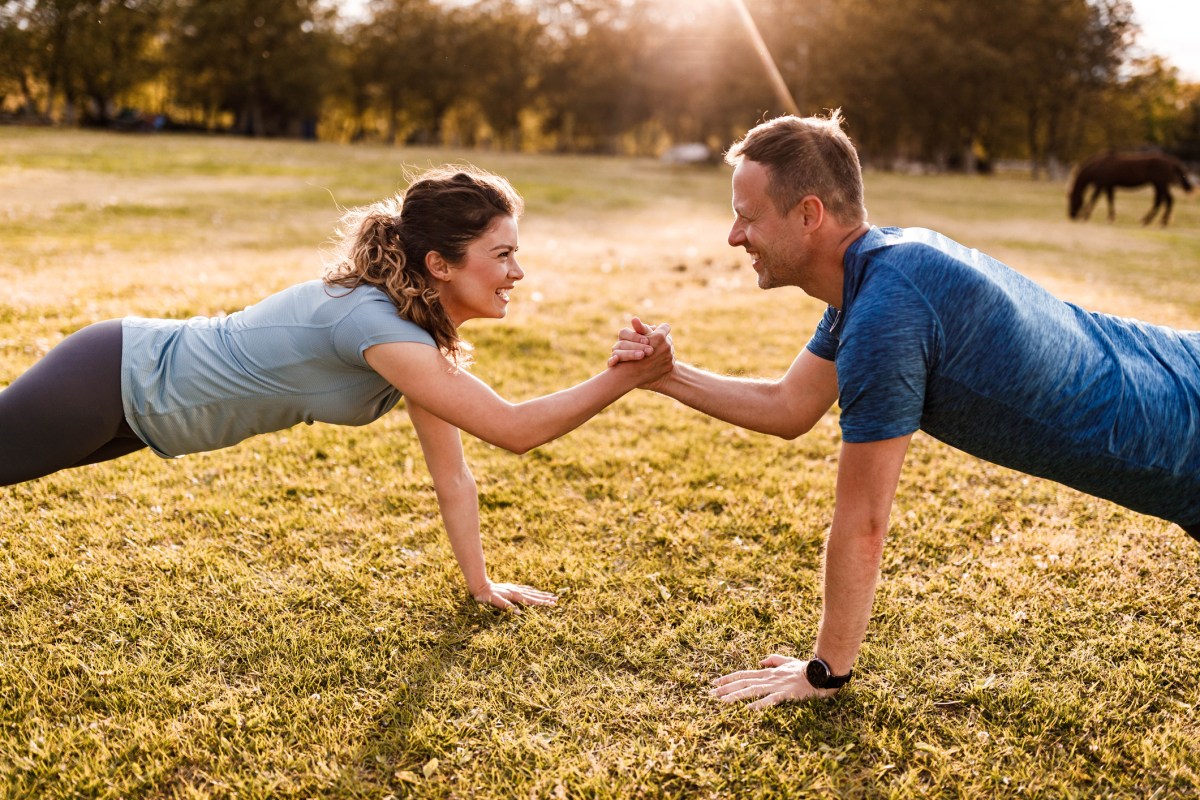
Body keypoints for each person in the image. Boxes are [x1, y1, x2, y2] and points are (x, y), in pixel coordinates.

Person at [610, 111, 1200, 709]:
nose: (735, 237)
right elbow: (790, 406)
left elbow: (864, 522)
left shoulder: (884, 315)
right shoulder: (881, 269)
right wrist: (667, 375)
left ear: (809, 214)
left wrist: (825, 672)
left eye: (748, 216)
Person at [1, 165, 673, 612]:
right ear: (439, 263)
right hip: (112, 377)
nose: (518, 272)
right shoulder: (376, 326)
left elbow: (455, 476)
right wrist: (626, 379)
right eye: (502, 254)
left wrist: (480, 585)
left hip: (139, 416)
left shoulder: (414, 333)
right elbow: (515, 429)